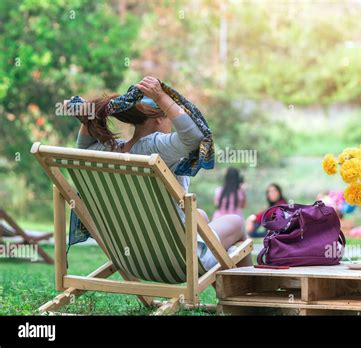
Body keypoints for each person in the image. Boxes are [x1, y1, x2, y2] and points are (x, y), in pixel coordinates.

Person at [72, 76, 252, 269]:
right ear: (159, 118)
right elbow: (194, 137)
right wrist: (161, 97)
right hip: (179, 259)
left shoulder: (107, 152)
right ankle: (244, 294)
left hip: (132, 257)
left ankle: (222, 288)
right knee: (236, 222)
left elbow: (82, 146)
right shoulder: (156, 146)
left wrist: (89, 114)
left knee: (200, 216)